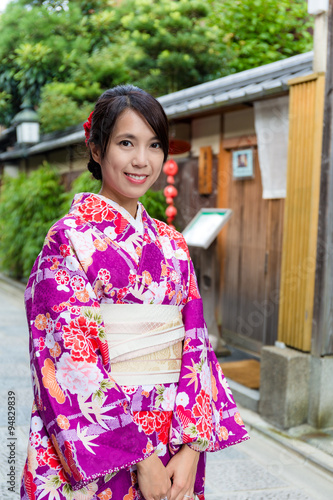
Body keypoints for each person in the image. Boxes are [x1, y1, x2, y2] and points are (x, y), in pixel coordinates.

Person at [21, 85, 249, 500]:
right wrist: (139, 457)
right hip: (106, 439)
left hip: (173, 436)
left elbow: (195, 346)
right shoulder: (68, 239)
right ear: (96, 148)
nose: (142, 161)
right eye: (126, 143)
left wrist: (192, 447)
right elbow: (69, 357)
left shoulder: (172, 244)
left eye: (154, 145)